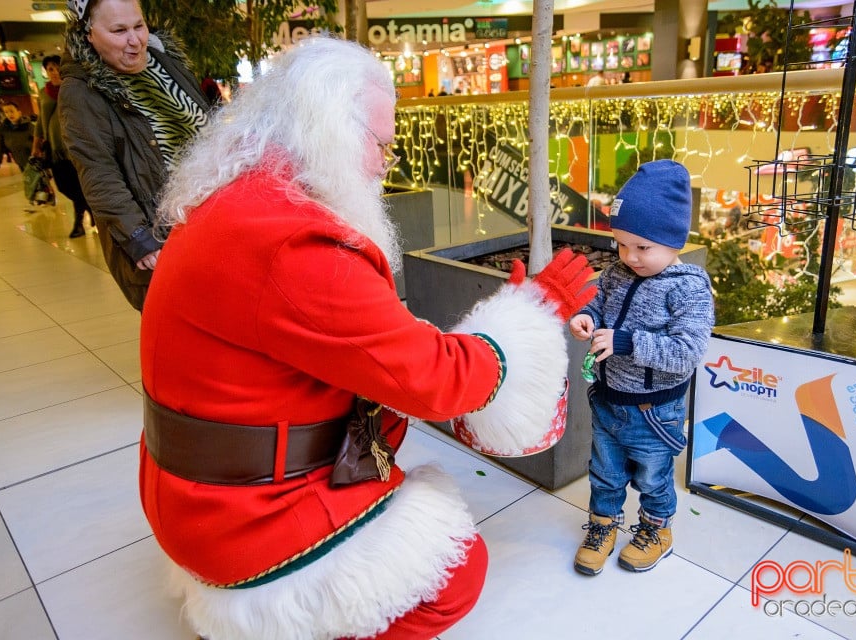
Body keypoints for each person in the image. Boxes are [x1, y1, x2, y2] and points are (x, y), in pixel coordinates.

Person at [140, 36, 596, 640]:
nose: (386, 163)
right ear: (326, 128)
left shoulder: (235, 201)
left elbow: (361, 343)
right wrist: (533, 312)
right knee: (455, 574)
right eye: (379, 144)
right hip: (245, 522)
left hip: (196, 494)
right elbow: (433, 383)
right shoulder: (294, 244)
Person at [569, 160, 714, 576]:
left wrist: (626, 342)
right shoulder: (617, 272)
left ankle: (655, 530)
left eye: (643, 247)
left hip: (655, 413)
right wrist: (588, 318)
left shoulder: (688, 288)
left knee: (653, 478)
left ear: (674, 242)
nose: (630, 256)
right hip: (609, 401)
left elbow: (687, 351)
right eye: (621, 244)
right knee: (604, 473)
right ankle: (602, 526)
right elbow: (599, 303)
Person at [58, 0, 210, 310]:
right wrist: (140, 239)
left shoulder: (165, 61)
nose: (135, 40)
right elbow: (98, 176)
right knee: (182, 328)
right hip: (159, 232)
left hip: (209, 220)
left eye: (138, 26)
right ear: (88, 33)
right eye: (118, 30)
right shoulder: (80, 92)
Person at [32, 55, 96, 238]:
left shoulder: (75, 88)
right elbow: (40, 121)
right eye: (50, 69)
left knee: (78, 184)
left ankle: (78, 224)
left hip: (76, 147)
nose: (54, 72)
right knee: (64, 186)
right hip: (54, 149)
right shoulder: (44, 93)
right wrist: (36, 146)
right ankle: (89, 210)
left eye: (56, 67)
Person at [0, 101, 34, 171]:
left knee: (39, 180)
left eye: (11, 111)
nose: (9, 114)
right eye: (6, 112)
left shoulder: (29, 126)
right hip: (19, 160)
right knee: (28, 179)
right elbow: (0, 145)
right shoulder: (3, 129)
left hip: (34, 159)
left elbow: (39, 141)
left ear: (19, 112)